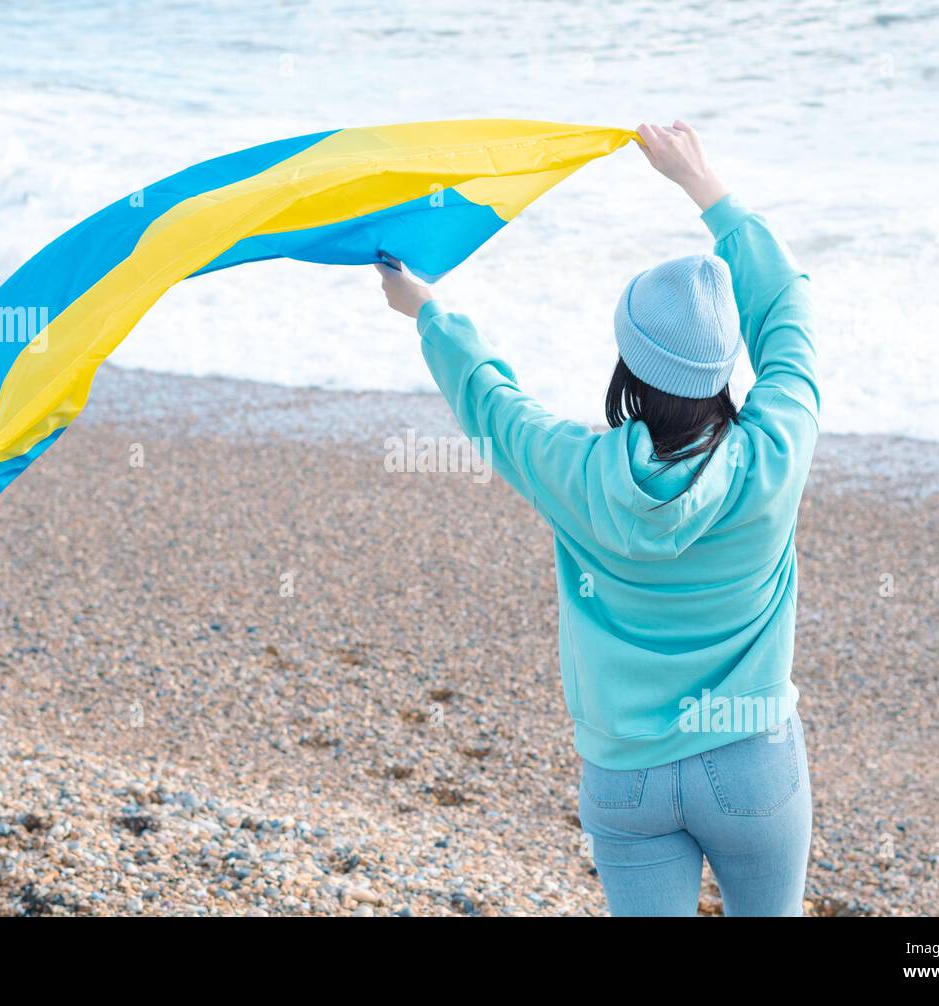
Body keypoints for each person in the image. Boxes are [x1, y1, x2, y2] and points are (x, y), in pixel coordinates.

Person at [374, 120, 819, 917]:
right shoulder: (774, 452)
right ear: (725, 367)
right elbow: (787, 306)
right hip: (751, 762)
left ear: (628, 364)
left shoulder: (574, 471)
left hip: (627, 775)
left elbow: (490, 401)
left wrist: (429, 312)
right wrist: (702, 182)